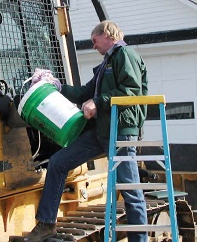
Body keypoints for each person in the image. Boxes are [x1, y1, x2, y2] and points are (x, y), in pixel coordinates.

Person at [24, 20, 148, 242]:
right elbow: (83, 93)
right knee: (58, 162)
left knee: (130, 189)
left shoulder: (124, 55)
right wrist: (56, 86)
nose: (93, 46)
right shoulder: (105, 65)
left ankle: (139, 239)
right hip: (102, 132)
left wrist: (97, 103)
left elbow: (131, 92)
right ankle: (46, 224)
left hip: (120, 131)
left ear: (107, 34)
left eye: (94, 40)